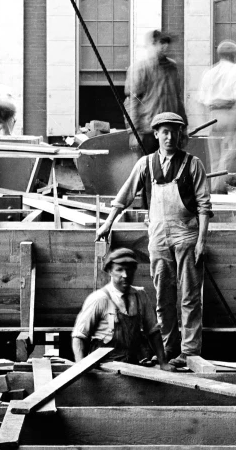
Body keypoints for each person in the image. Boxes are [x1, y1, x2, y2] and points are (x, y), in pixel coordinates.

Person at [95, 112, 212, 367]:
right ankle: (169, 348)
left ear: (181, 135)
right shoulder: (146, 164)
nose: (170, 136)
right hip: (158, 237)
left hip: (186, 236)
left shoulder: (193, 164)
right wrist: (107, 222)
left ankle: (189, 351)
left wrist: (201, 241)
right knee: (163, 297)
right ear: (157, 134)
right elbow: (124, 196)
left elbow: (204, 207)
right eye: (164, 131)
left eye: (175, 131)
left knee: (190, 297)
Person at [72, 248, 174, 371]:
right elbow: (79, 336)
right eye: (119, 270)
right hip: (104, 369)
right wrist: (81, 368)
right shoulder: (99, 299)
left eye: (129, 270)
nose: (125, 275)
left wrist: (163, 363)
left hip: (133, 368)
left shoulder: (140, 296)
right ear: (109, 271)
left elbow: (153, 332)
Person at [125, 30, 188, 154]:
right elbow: (132, 102)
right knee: (148, 169)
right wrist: (133, 132)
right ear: (151, 45)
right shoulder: (139, 68)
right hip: (148, 132)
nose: (164, 47)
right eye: (161, 43)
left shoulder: (172, 68)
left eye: (166, 43)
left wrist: (184, 127)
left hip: (171, 130)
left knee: (171, 169)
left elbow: (178, 99)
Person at [198, 40, 236, 193]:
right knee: (230, 152)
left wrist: (205, 120)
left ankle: (214, 190)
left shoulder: (209, 73)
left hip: (213, 115)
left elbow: (201, 100)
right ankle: (220, 188)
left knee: (215, 157)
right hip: (229, 112)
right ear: (234, 55)